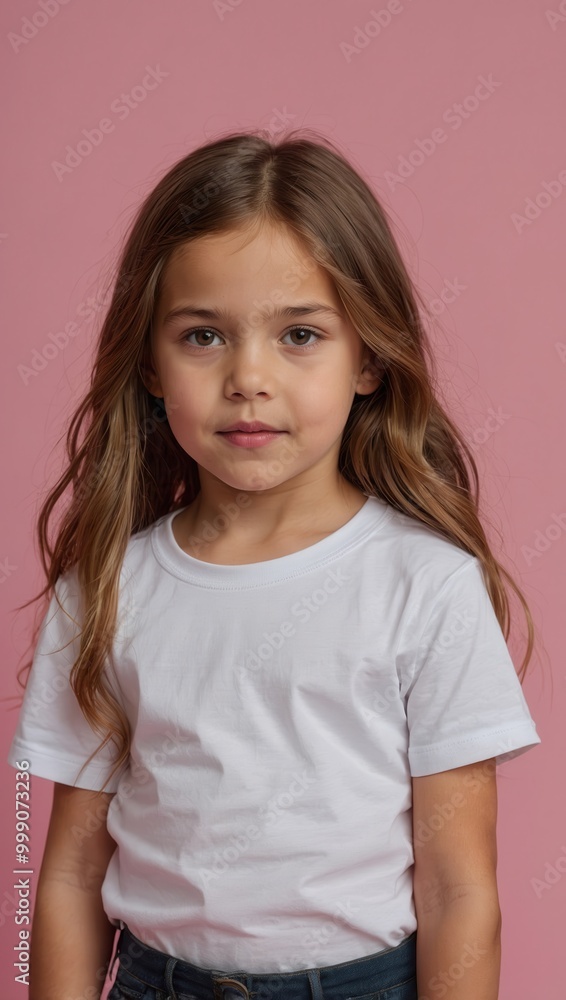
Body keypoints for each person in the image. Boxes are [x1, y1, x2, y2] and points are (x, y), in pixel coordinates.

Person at [8, 128, 541, 1000]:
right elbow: (68, 875)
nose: (249, 377)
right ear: (148, 362)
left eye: (299, 333)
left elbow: (458, 889)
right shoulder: (106, 588)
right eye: (204, 336)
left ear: (368, 356)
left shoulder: (425, 585)